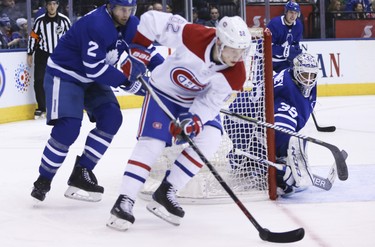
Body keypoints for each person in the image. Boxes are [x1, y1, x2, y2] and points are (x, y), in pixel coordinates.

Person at [106, 11, 252, 231]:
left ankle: (167, 191)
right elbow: (151, 20)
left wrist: (194, 120)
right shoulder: (194, 34)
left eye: (242, 51)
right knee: (152, 145)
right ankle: (124, 200)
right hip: (162, 92)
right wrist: (139, 52)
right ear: (219, 42)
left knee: (211, 136)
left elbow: (211, 103)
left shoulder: (237, 73)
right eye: (233, 50)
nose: (237, 56)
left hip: (191, 102)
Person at [30, 0, 164, 203]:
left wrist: (168, 76)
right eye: (121, 9)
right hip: (66, 74)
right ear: (110, 7)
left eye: (129, 10)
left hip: (92, 78)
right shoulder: (97, 24)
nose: (126, 14)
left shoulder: (131, 23)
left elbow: (149, 52)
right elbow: (94, 68)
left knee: (111, 117)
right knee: (69, 128)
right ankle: (44, 179)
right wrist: (129, 84)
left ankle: (82, 172)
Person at [224, 53, 319, 197]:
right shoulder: (286, 90)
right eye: (304, 74)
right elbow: (280, 133)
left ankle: (248, 160)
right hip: (238, 120)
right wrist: (281, 161)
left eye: (312, 75)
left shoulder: (294, 82)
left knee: (271, 144)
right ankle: (240, 161)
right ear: (295, 71)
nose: (308, 79)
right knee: (269, 147)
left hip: (247, 115)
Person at [27, 0, 71, 119]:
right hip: (42, 54)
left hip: (59, 55)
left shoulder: (64, 20)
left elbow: (71, 37)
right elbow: (33, 36)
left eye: (54, 4)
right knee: (39, 80)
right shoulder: (39, 20)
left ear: (57, 5)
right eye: (50, 4)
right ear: (46, 6)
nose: (52, 7)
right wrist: (30, 53)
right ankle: (42, 107)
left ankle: (64, 106)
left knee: (62, 81)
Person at [267, 1, 303, 73]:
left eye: (295, 13)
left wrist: (295, 51)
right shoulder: (274, 24)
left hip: (284, 62)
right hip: (268, 61)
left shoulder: (298, 25)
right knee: (267, 83)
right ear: (286, 12)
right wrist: (285, 51)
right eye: (291, 12)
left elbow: (295, 43)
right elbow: (268, 47)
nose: (293, 16)